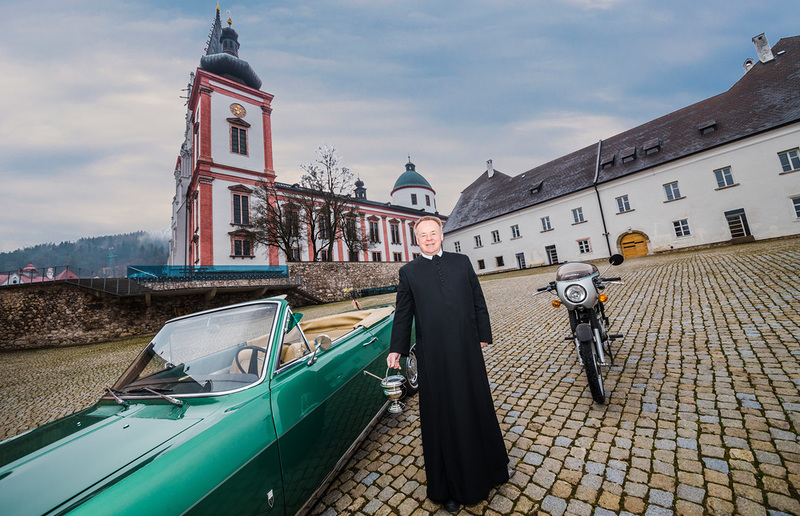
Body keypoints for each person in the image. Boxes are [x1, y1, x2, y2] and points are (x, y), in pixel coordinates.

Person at [387, 215, 509, 512]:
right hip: (434, 355)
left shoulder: (462, 262)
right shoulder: (409, 272)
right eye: (423, 235)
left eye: (433, 233)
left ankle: (491, 470)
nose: (428, 238)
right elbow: (403, 313)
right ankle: (449, 486)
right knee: (443, 415)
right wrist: (397, 349)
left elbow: (477, 299)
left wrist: (483, 334)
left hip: (467, 349)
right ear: (416, 240)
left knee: (474, 405)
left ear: (442, 235)